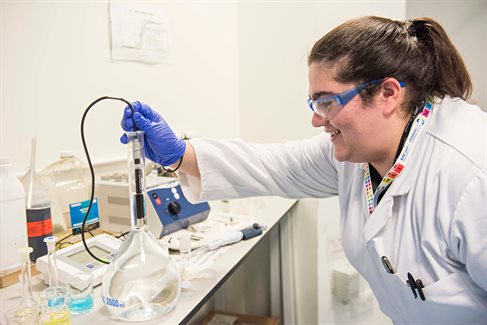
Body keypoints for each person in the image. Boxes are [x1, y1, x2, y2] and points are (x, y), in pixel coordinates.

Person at [121, 16, 487, 324]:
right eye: (314, 103)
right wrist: (178, 155)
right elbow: (274, 166)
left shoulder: (470, 174)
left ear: (388, 94)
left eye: (327, 102)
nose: (316, 119)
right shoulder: (357, 154)